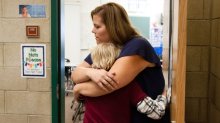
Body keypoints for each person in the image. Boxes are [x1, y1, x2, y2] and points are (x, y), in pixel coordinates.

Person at [72, 2, 170, 123]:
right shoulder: (106, 49)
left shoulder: (138, 45)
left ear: (113, 27)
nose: (93, 30)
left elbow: (108, 85)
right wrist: (90, 72)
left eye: (97, 27)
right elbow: (76, 74)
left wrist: (78, 88)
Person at [73, 43, 167, 122]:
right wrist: (164, 95)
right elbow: (156, 112)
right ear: (119, 61)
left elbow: (79, 98)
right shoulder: (127, 84)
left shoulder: (86, 86)